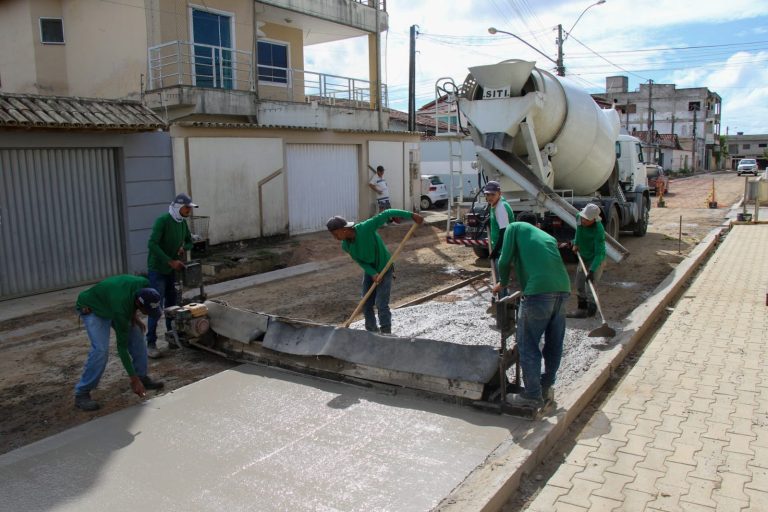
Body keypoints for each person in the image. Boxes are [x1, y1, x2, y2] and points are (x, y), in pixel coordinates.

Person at [492, 221, 571, 408]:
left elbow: (504, 260)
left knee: (527, 344)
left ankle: (532, 395)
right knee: (554, 342)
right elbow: (539, 265)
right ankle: (545, 386)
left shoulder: (514, 228)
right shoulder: (547, 237)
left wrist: (502, 282)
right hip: (563, 289)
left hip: (539, 292)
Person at [74, 275, 165, 411]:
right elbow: (121, 348)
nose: (147, 314)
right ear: (139, 304)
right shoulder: (121, 310)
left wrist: (133, 316)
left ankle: (142, 377)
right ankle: (82, 393)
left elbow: (131, 298)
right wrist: (132, 379)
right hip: (92, 307)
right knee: (100, 350)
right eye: (146, 311)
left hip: (113, 303)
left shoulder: (144, 285)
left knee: (137, 335)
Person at [327, 209, 424, 334]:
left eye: (335, 234)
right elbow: (360, 261)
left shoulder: (365, 228)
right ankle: (371, 331)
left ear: (344, 229)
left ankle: (386, 332)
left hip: (385, 267)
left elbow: (387, 213)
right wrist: (372, 273)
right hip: (371, 270)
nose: (335, 238)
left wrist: (411, 215)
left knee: (381, 303)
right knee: (366, 303)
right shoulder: (346, 245)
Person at [146, 193, 197, 358]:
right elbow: (152, 244)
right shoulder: (163, 221)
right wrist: (169, 261)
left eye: (190, 208)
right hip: (158, 269)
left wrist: (184, 248)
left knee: (172, 305)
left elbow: (189, 241)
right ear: (177, 207)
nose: (189, 210)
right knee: (155, 306)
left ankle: (171, 336)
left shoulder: (182, 224)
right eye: (187, 207)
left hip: (171, 271)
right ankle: (151, 342)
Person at [567, 203, 606, 319]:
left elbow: (599, 254)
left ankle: (592, 311)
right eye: (583, 218)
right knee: (579, 283)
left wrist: (592, 270)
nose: (583, 221)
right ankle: (582, 309)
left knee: (590, 285)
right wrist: (576, 243)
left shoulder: (599, 231)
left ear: (594, 220)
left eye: (586, 220)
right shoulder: (579, 217)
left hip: (596, 259)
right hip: (583, 256)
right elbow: (578, 231)